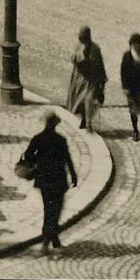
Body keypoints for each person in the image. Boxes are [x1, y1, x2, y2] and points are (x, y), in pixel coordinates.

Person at [21, 110, 78, 252]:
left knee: (49, 209)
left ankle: (54, 240)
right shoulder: (61, 140)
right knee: (56, 210)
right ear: (55, 124)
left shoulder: (37, 139)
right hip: (58, 178)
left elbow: (27, 156)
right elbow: (67, 158)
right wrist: (73, 175)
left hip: (44, 178)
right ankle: (47, 241)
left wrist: (39, 160)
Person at [65, 26, 107, 132]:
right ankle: (84, 119)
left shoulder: (95, 49)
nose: (82, 40)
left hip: (91, 80)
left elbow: (99, 65)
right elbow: (72, 58)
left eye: (83, 38)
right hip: (80, 78)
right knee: (80, 101)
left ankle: (88, 123)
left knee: (88, 100)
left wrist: (102, 81)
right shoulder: (77, 46)